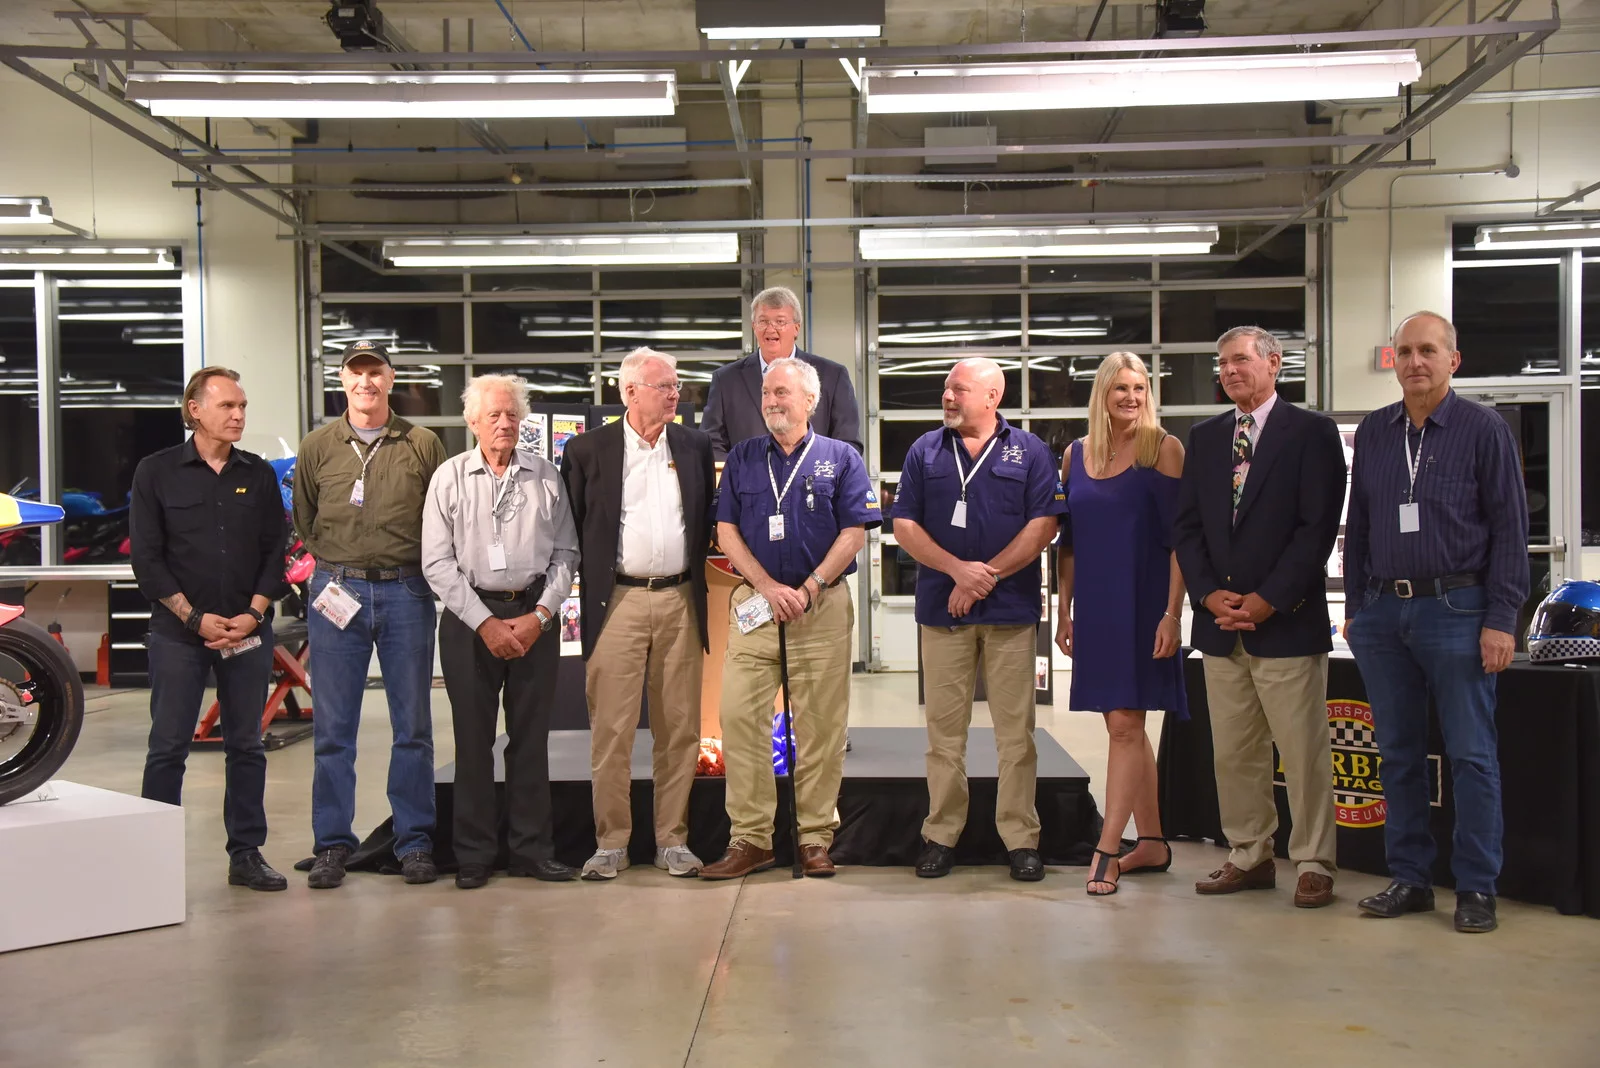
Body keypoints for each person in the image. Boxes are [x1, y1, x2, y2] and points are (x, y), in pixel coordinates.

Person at [1343, 311, 1529, 934]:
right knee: (1397, 754)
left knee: (1471, 755)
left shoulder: (1482, 429)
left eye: (1428, 350)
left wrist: (1502, 618)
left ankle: (1476, 887)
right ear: (1392, 360)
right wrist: (1358, 609)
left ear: (1454, 360)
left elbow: (1510, 529)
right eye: (1405, 351)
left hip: (1459, 609)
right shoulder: (1375, 430)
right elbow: (1360, 526)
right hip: (1383, 612)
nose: (1415, 361)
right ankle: (1410, 879)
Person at [1173, 327, 1348, 909]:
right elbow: (1187, 528)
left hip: (1286, 623)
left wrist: (1270, 598)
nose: (1229, 371)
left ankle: (1314, 861)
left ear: (1274, 363)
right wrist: (1206, 595)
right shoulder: (1205, 437)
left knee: (1302, 753)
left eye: (1240, 360)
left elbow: (1317, 528)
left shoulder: (1312, 433)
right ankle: (1249, 854)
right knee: (1235, 753)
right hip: (1220, 628)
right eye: (1222, 363)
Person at [699, 357, 881, 879]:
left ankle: (815, 836)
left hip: (820, 608)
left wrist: (809, 586)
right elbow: (726, 530)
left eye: (782, 392)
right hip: (756, 608)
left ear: (810, 401)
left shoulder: (841, 457)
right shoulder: (743, 457)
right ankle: (751, 838)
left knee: (821, 727)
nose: (771, 401)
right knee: (738, 719)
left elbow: (854, 532)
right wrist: (768, 587)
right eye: (766, 392)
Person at [890, 358, 1064, 882]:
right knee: (944, 735)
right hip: (943, 610)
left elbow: (1044, 525)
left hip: (1010, 611)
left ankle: (1021, 837)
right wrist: (956, 572)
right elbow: (904, 524)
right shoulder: (925, 450)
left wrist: (983, 578)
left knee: (1016, 735)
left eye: (959, 389)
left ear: (992, 397)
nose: (948, 396)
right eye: (946, 388)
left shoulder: (1028, 451)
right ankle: (941, 834)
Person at [293, 339, 449, 889]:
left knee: (414, 727)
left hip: (407, 591)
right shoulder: (318, 446)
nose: (366, 382)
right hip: (337, 591)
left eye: (375, 372)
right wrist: (340, 566)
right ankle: (333, 844)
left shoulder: (422, 443)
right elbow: (306, 519)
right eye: (356, 373)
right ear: (342, 380)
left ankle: (414, 842)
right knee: (334, 728)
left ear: (390, 379)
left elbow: (441, 517)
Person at [560, 348, 717, 881]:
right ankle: (611, 843)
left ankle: (673, 839)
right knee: (612, 729)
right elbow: (574, 528)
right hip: (618, 602)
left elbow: (704, 520)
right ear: (629, 392)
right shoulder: (587, 450)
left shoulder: (694, 446)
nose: (676, 394)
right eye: (664, 386)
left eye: (676, 385)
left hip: (681, 599)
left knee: (680, 728)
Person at [129, 367, 287, 892]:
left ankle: (246, 854)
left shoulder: (258, 473)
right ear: (195, 410)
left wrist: (254, 614)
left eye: (242, 406)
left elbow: (275, 550)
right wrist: (194, 618)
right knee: (168, 746)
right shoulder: (156, 472)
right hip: (178, 634)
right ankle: (153, 862)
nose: (239, 415)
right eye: (227, 406)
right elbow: (147, 559)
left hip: (246, 630)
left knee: (246, 746)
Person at [423, 374, 579, 889]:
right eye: (494, 415)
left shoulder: (546, 476)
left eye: (513, 414)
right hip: (470, 619)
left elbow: (566, 553)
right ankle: (474, 854)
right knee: (472, 743)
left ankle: (532, 851)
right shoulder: (449, 477)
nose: (505, 423)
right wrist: (485, 623)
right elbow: (436, 562)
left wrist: (542, 616)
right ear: (473, 422)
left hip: (533, 615)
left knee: (530, 741)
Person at [1056, 352, 1187, 896]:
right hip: (1096, 608)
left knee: (1124, 726)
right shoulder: (1076, 454)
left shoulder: (1165, 448)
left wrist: (1173, 613)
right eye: (1120, 388)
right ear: (1102, 395)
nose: (1131, 397)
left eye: (1139, 388)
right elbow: (1068, 543)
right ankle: (1151, 842)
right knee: (1127, 725)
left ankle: (1107, 850)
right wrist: (1063, 609)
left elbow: (1181, 541)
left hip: (1145, 605)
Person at [700, 286, 863, 459]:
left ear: (796, 328)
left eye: (780, 322)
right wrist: (742, 470)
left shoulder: (832, 376)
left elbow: (848, 444)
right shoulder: (726, 380)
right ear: (754, 327)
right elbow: (711, 443)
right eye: (763, 321)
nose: (771, 329)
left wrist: (814, 472)